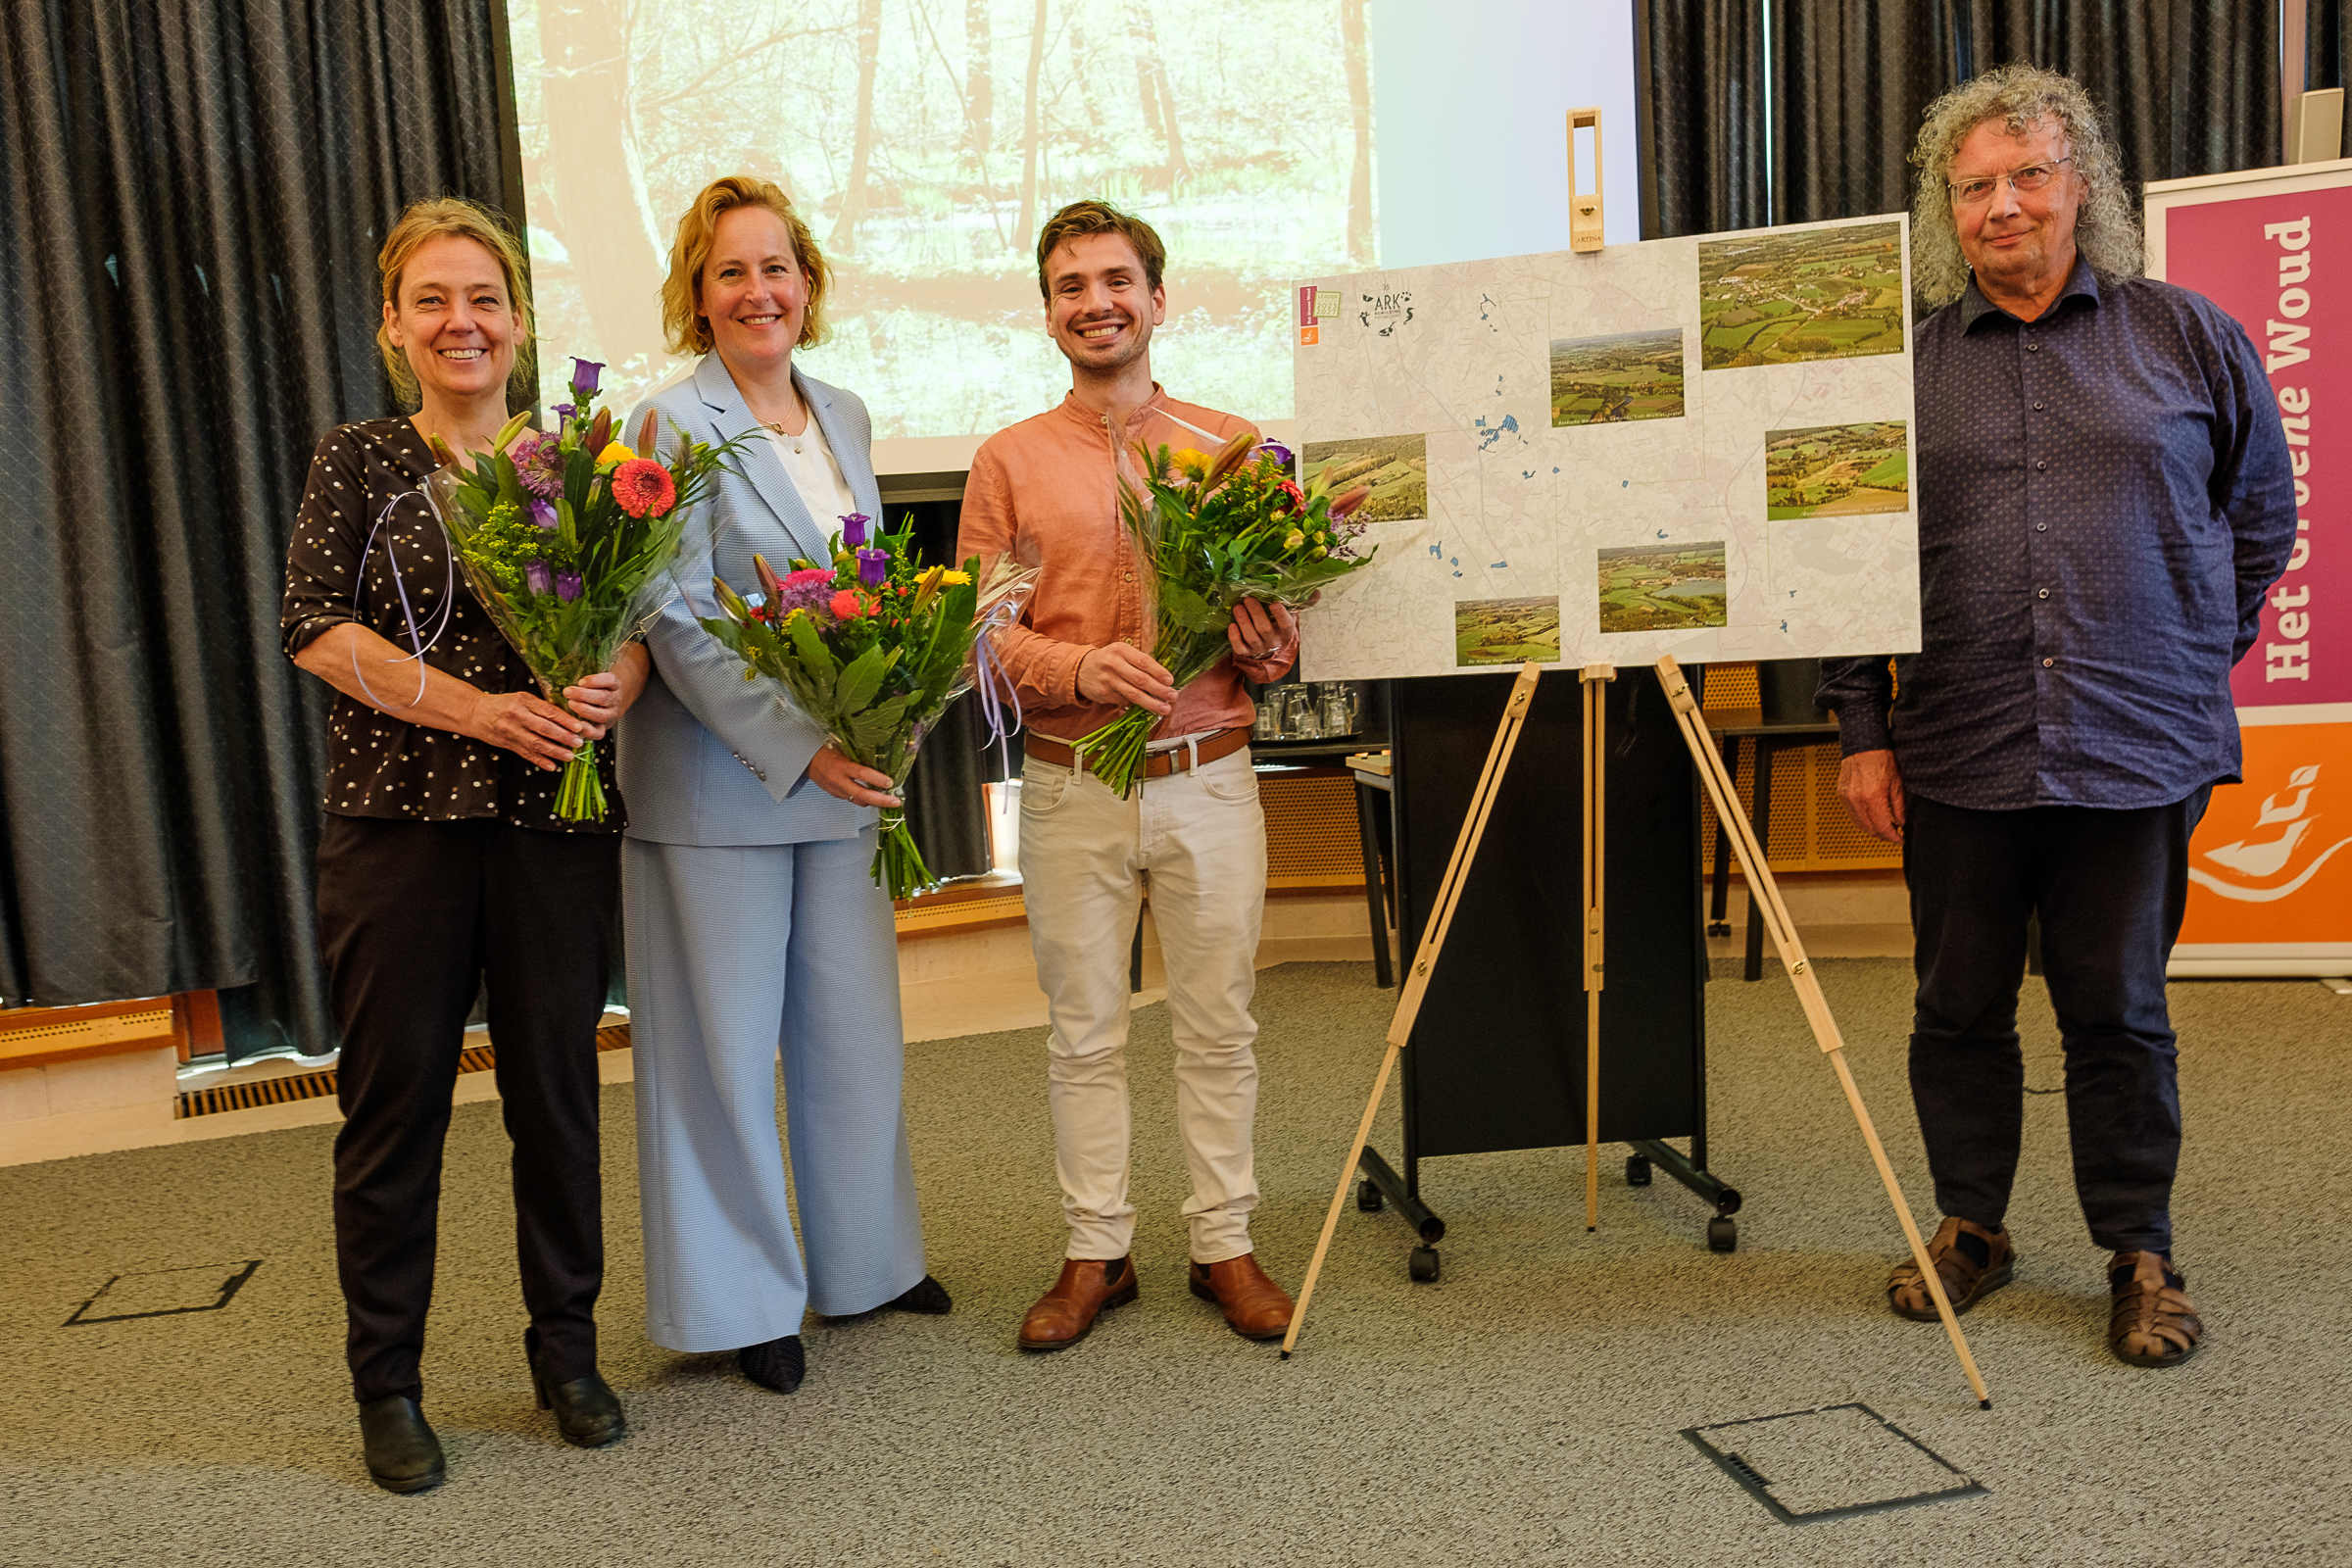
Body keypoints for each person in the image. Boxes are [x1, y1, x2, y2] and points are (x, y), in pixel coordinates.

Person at [1817, 65, 2294, 1370]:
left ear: (2082, 185)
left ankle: (2140, 1251)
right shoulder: (1902, 370)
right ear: (1945, 209)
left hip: (2135, 745)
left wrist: (2193, 653)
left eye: (2029, 175)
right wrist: (1862, 726)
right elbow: (1847, 567)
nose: (2003, 205)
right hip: (1959, 743)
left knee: (2118, 1007)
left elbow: (2262, 523)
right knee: (1956, 1002)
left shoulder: (2189, 337)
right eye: (1974, 186)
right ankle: (1973, 1225)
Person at [280, 198, 646, 1493]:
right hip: (397, 834)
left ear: (517, 319)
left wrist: (617, 682)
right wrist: (480, 709)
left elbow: (634, 617)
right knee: (396, 1115)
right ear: (395, 326)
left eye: (482, 298)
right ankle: (388, 1385)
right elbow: (316, 630)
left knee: (555, 1099)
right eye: (432, 300)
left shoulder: (572, 467)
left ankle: (566, 1354)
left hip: (551, 828)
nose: (461, 322)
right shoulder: (360, 464)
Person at [618, 175, 947, 1398]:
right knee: (720, 1054)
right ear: (696, 299)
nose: (758, 291)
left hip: (842, 777)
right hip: (719, 791)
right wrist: (797, 742)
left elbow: (861, 590)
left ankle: (865, 1262)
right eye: (729, 273)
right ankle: (743, 1298)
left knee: (853, 1034)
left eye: (777, 268)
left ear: (807, 285)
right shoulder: (668, 423)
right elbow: (676, 610)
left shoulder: (845, 414)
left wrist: (884, 710)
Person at [956, 199, 1300, 1351]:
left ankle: (1224, 1246)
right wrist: (1077, 664)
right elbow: (980, 636)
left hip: (1211, 774)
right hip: (1068, 784)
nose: (1094, 302)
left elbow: (1284, 626)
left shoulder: (1231, 446)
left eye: (1115, 280)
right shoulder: (1006, 460)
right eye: (1069, 285)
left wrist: (1269, 642)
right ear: (1048, 312)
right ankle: (1096, 1248)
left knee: (1220, 1025)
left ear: (1158, 298)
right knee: (1084, 1032)